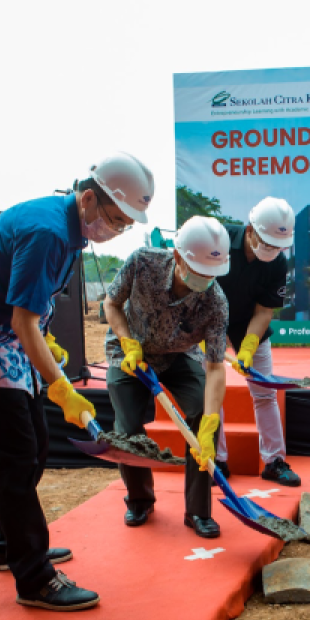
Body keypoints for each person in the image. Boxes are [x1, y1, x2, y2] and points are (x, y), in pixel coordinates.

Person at [0, 150, 156, 611]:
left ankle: (11, 545)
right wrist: (62, 386)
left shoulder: (70, 228)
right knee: (14, 454)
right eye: (115, 218)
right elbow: (23, 320)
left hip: (3, 337)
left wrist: (49, 344)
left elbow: (34, 308)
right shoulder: (49, 231)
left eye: (126, 225)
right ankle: (34, 578)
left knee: (36, 444)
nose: (117, 231)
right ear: (88, 199)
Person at [102, 216, 230, 539]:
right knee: (128, 427)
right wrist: (128, 341)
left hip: (179, 356)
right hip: (129, 352)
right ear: (178, 257)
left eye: (212, 274)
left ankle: (198, 511)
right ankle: (140, 499)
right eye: (200, 272)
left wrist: (212, 420)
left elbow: (215, 367)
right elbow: (112, 303)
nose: (206, 280)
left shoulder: (216, 303)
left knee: (203, 415)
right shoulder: (142, 262)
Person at [214, 197, 301, 486]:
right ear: (250, 230)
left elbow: (265, 310)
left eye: (277, 246)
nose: (271, 251)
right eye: (266, 243)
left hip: (251, 322)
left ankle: (274, 461)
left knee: (265, 392)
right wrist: (201, 334)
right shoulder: (218, 239)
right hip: (209, 318)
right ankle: (216, 460)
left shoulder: (277, 262)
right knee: (210, 391)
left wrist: (249, 344)